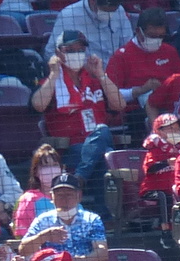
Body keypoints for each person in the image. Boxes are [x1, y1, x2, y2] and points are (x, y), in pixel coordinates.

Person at [32, 29, 124, 212]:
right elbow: (38, 105)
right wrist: (53, 74)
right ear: (59, 53)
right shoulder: (52, 82)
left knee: (102, 136)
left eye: (80, 50)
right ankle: (107, 217)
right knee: (105, 151)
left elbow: (119, 104)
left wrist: (101, 74)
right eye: (70, 50)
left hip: (94, 146)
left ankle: (81, 177)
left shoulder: (93, 80)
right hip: (69, 150)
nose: (76, 54)